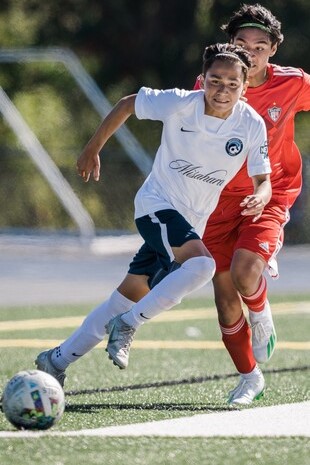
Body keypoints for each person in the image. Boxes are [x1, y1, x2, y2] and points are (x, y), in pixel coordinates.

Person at [35, 43, 271, 402]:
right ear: (202, 80)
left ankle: (56, 360)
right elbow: (128, 103)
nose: (222, 90)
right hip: (156, 206)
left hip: (191, 221)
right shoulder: (180, 103)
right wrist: (92, 147)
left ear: (245, 86)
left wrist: (261, 196)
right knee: (203, 265)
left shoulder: (251, 125)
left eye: (231, 84)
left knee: (124, 296)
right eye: (214, 81)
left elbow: (263, 181)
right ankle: (130, 324)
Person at [192, 4, 310, 405]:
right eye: (241, 43)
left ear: (273, 49)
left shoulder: (292, 83)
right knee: (224, 296)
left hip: (270, 193)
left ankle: (261, 314)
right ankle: (249, 378)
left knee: (245, 274)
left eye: (260, 45)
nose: (250, 52)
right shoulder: (211, 85)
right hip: (216, 201)